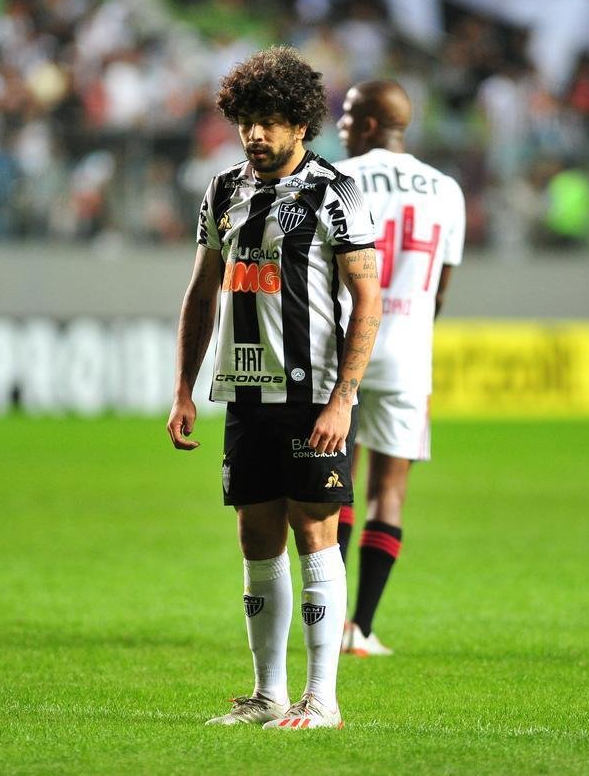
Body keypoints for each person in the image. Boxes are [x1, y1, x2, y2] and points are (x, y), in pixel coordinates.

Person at [166, 46, 381, 730]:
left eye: (270, 121)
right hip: (244, 393)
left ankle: (324, 698)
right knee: (255, 535)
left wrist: (345, 399)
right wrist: (183, 390)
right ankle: (270, 694)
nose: (255, 135)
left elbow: (368, 298)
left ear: (299, 124)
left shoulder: (334, 190)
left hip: (314, 395)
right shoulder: (223, 190)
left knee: (314, 529)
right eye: (246, 121)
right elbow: (201, 294)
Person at [332, 80, 465, 656]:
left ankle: (330, 623)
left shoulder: (342, 179)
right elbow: (440, 289)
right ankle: (363, 627)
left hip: (344, 347)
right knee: (390, 492)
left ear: (366, 125)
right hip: (410, 351)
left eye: (345, 114)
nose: (338, 124)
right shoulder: (447, 188)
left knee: (335, 483)